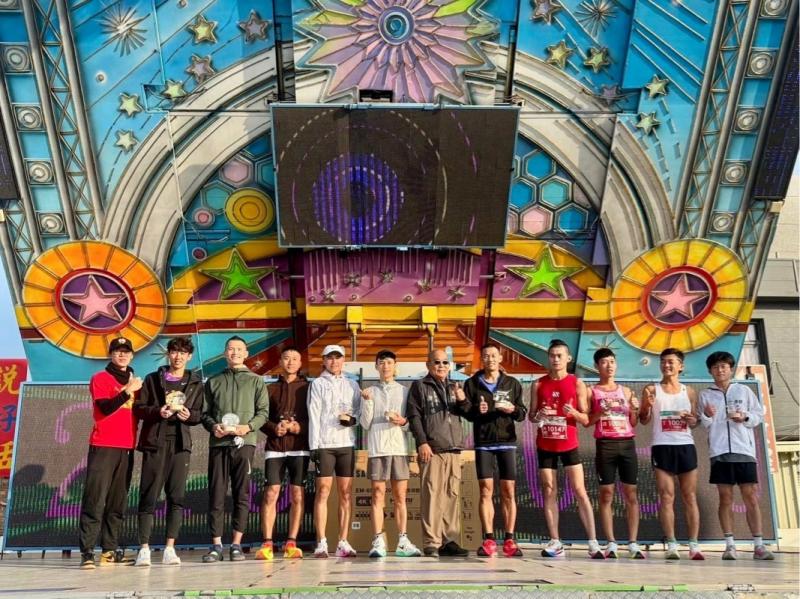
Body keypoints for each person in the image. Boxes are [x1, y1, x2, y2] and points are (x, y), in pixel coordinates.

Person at [529, 339, 603, 559]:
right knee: (549, 490)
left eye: (560, 355)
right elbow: (531, 416)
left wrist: (573, 413)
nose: (556, 359)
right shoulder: (538, 384)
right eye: (552, 355)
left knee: (579, 490)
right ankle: (555, 541)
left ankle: (593, 542)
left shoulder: (577, 383)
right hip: (545, 444)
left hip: (569, 444)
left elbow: (586, 419)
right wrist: (539, 415)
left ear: (568, 358)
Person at [134, 336, 204, 567]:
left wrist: (189, 416)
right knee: (149, 495)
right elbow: (139, 408)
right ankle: (144, 548)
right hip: (155, 442)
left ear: (189, 356)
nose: (178, 356)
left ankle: (170, 548)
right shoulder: (153, 379)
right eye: (174, 352)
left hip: (181, 444)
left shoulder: (195, 382)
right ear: (168, 354)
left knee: (176, 497)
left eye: (183, 353)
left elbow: (199, 414)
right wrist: (158, 412)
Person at [699, 351, 774, 560]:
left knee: (750, 496)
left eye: (723, 366)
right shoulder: (705, 394)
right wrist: (707, 415)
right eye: (715, 367)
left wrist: (745, 417)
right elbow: (703, 423)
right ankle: (730, 545)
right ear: (710, 371)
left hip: (744, 450)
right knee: (725, 498)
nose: (720, 370)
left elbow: (758, 415)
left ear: (730, 369)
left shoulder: (744, 390)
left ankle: (759, 545)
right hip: (720, 451)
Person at [200, 336, 269, 563]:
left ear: (246, 353)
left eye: (239, 349)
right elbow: (204, 413)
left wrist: (247, 427)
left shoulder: (256, 381)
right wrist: (214, 427)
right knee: (217, 494)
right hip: (219, 444)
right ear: (225, 353)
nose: (235, 353)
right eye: (231, 349)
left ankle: (237, 544)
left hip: (244, 444)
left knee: (242, 494)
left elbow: (263, 413)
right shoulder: (214, 381)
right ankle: (216, 545)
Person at [78, 337, 142, 569]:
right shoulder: (101, 378)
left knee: (117, 502)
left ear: (132, 355)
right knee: (95, 499)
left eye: (126, 351)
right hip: (104, 445)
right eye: (117, 351)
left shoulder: (136, 382)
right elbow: (105, 407)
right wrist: (127, 392)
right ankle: (87, 552)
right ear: (111, 354)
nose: (122, 355)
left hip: (127, 447)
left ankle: (109, 551)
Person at [463, 343, 527, 558]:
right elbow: (465, 412)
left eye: (494, 355)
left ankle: (509, 539)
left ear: (500, 358)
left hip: (507, 442)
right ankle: (489, 539)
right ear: (482, 359)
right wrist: (476, 410)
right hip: (484, 443)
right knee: (485, 490)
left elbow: (522, 413)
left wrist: (513, 409)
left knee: (509, 490)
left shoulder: (512, 383)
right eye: (486, 356)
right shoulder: (472, 383)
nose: (490, 359)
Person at [640, 347, 702, 560]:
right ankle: (672, 544)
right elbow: (644, 419)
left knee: (689, 496)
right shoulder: (651, 389)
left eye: (671, 362)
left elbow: (694, 422)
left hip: (685, 446)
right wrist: (646, 406)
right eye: (663, 361)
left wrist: (693, 420)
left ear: (680, 366)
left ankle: (694, 545)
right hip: (662, 446)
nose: (666, 365)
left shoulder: (689, 391)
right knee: (666, 496)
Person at [407, 349, 470, 557]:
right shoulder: (420, 386)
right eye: (436, 362)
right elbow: (414, 416)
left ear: (449, 366)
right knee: (432, 495)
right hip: (432, 449)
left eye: (445, 362)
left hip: (454, 448)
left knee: (451, 495)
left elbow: (467, 413)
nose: (441, 366)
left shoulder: (454, 387)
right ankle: (431, 542)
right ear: (428, 365)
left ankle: (449, 540)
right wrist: (422, 442)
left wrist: (462, 400)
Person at [360, 350, 422, 558]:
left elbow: (411, 423)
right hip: (377, 449)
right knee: (377, 494)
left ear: (395, 366)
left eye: (389, 362)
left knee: (400, 496)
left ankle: (403, 540)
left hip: (399, 449)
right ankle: (378, 540)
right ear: (376, 366)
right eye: (381, 362)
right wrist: (367, 402)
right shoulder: (369, 391)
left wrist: (403, 422)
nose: (385, 366)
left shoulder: (404, 392)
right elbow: (364, 424)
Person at [587, 348, 644, 559]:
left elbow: (633, 422)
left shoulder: (626, 391)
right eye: (604, 362)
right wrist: (599, 412)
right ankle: (611, 542)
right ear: (597, 366)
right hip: (605, 444)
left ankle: (633, 543)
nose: (609, 366)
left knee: (631, 494)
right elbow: (587, 421)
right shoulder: (591, 391)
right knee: (606, 494)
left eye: (612, 361)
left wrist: (635, 409)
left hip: (627, 444)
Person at [255, 347, 309, 561]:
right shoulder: (270, 388)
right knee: (271, 493)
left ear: (300, 363)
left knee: (297, 494)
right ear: (280, 361)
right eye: (286, 358)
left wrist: (299, 427)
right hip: (275, 448)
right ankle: (267, 543)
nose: (290, 362)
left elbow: (316, 417)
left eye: (295, 359)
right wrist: (273, 428)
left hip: (300, 447)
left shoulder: (308, 388)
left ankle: (291, 543)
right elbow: (260, 417)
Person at [307, 344, 362, 558]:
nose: (334, 361)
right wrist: (314, 446)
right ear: (324, 361)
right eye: (330, 358)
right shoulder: (318, 384)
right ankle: (321, 542)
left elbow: (358, 411)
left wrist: (353, 420)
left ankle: (343, 541)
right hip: (325, 444)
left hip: (346, 443)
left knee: (346, 493)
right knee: (323, 491)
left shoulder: (352, 384)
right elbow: (313, 414)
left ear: (343, 360)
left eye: (338, 358)